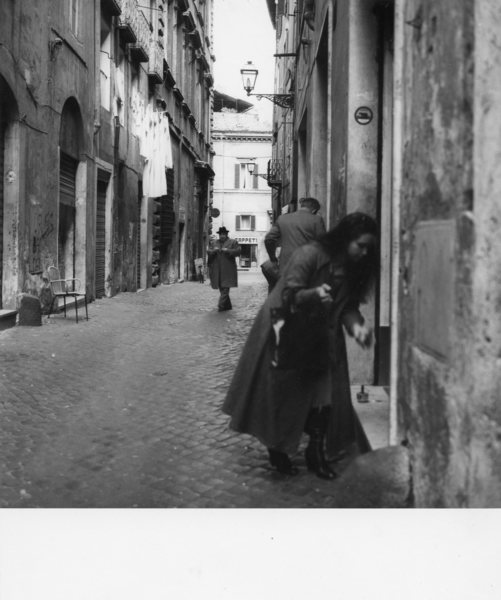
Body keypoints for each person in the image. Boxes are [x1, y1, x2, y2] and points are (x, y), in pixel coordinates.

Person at [223, 212, 379, 478]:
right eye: (360, 246)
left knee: (325, 396)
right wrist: (314, 294)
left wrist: (357, 329)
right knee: (285, 395)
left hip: (323, 335)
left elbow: (348, 307)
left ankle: (315, 454)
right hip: (288, 330)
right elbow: (288, 294)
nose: (364, 253)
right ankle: (278, 449)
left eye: (368, 248)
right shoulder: (309, 254)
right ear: (345, 239)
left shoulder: (354, 267)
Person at [264, 197, 326, 275]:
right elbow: (323, 244)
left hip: (286, 267)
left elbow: (269, 239)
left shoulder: (282, 219)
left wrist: (273, 259)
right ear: (314, 210)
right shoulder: (316, 219)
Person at [207, 226, 241, 311]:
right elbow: (208, 252)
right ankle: (228, 306)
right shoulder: (214, 243)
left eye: (223, 234)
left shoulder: (233, 242)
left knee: (225, 287)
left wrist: (228, 251)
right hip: (217, 269)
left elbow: (238, 251)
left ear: (226, 234)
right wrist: (214, 251)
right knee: (222, 287)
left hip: (228, 269)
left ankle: (221, 306)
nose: (222, 236)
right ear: (219, 235)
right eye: (221, 234)